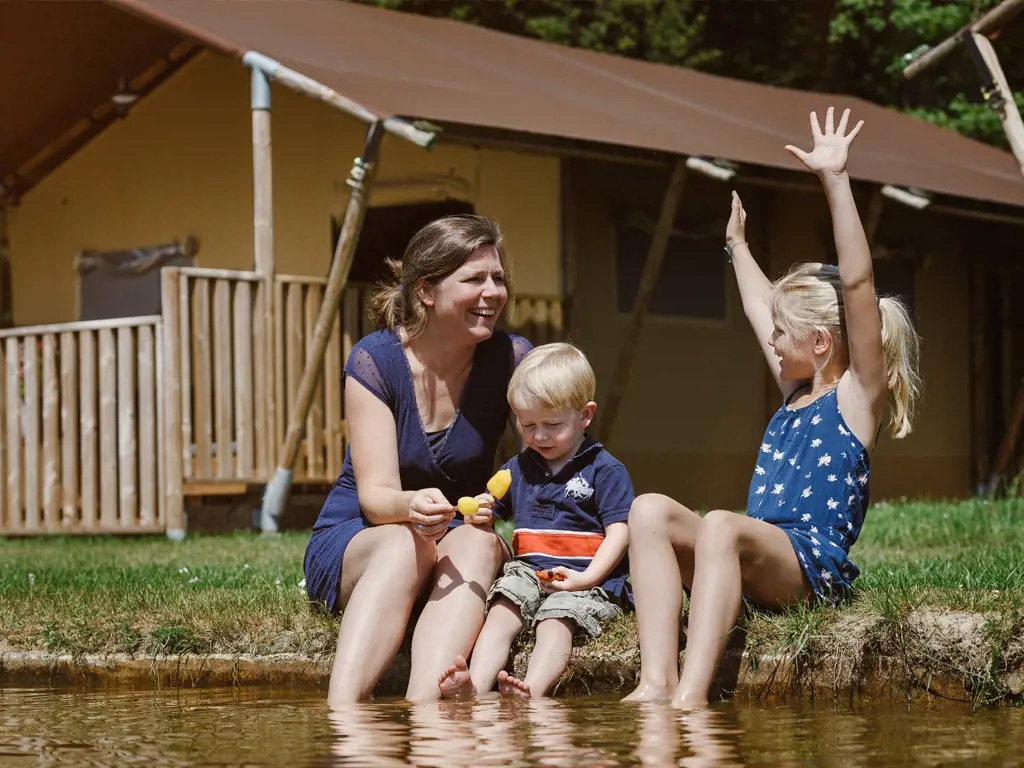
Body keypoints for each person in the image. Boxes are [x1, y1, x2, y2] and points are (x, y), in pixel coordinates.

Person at [624, 107, 922, 708]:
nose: (770, 340)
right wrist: (737, 247)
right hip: (753, 553)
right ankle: (654, 683)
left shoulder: (855, 398)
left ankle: (691, 697)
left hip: (807, 569)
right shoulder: (795, 390)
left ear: (820, 343)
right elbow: (764, 306)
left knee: (720, 523)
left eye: (782, 335)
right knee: (649, 509)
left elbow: (858, 287)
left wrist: (835, 182)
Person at [302, 214, 533, 705]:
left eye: (498, 278)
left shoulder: (512, 360)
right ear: (426, 291)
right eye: (474, 279)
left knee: (477, 541)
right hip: (367, 536)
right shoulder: (374, 361)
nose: (493, 292)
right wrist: (411, 506)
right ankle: (348, 726)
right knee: (406, 546)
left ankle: (426, 715)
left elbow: (542, 469)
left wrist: (503, 508)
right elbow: (376, 496)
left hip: (455, 538)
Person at [437, 343, 633, 699]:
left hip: (583, 577)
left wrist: (587, 578)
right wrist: (480, 514)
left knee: (555, 622)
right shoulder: (517, 469)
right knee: (500, 612)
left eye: (552, 425)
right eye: (527, 425)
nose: (538, 436)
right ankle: (476, 688)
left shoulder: (605, 471)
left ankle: (533, 690)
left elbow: (620, 533)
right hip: (529, 571)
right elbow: (490, 512)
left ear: (585, 415)